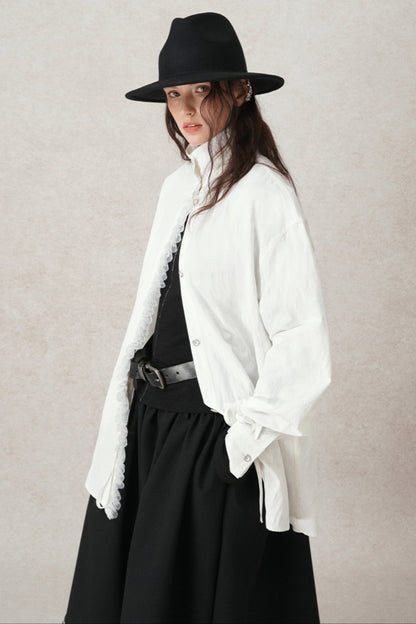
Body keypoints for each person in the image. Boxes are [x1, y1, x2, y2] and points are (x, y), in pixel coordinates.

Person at [63, 11, 331, 624]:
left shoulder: (265, 193)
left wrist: (242, 442)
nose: (185, 109)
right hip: (149, 421)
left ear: (239, 92)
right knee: (132, 592)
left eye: (201, 91)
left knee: (192, 596)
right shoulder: (176, 188)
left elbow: (302, 337)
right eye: (173, 94)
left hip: (211, 429)